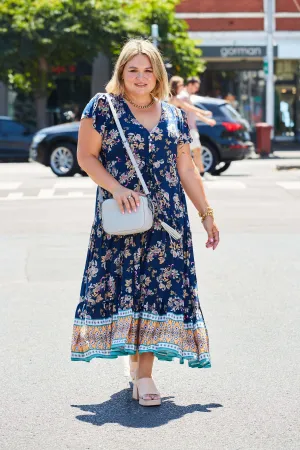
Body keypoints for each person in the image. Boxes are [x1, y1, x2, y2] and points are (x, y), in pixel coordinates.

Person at [70, 39, 220, 407]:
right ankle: (138, 365)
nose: (140, 77)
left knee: (158, 292)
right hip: (124, 214)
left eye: (148, 70)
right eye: (133, 69)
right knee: (130, 290)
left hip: (168, 221)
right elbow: (87, 158)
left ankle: (145, 372)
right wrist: (116, 188)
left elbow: (186, 168)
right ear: (121, 72)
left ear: (158, 75)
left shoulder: (173, 115)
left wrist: (206, 213)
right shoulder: (102, 108)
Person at [176, 77, 216, 181]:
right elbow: (191, 109)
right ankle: (201, 173)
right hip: (187, 129)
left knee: (194, 151)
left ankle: (200, 173)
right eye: (195, 86)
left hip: (189, 128)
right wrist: (204, 114)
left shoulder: (187, 96)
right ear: (189, 84)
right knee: (195, 150)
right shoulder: (183, 96)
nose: (196, 89)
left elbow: (193, 112)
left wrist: (206, 120)